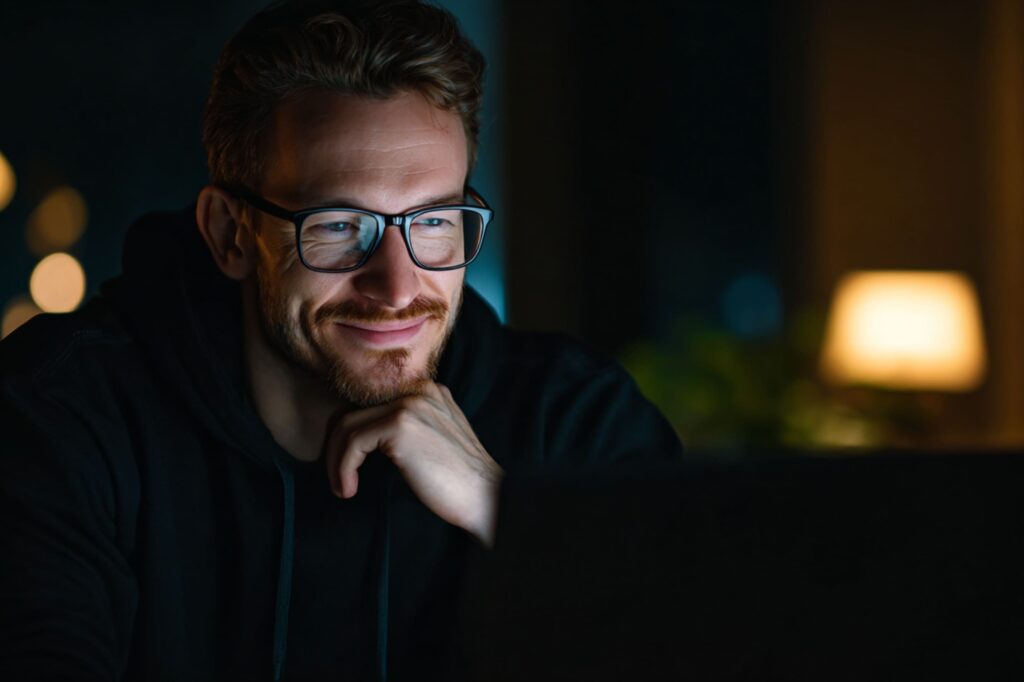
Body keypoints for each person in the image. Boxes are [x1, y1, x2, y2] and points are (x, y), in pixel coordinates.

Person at [0, 1, 682, 679]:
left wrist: (503, 511)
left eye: (434, 221)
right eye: (337, 226)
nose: (395, 286)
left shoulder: (574, 422)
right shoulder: (64, 415)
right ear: (231, 235)